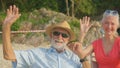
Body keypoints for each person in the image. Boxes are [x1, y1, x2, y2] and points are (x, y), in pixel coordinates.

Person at [2, 5, 91, 68]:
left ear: (68, 39)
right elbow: (9, 55)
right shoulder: (37, 54)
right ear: (51, 35)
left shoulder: (74, 58)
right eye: (56, 33)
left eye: (64, 35)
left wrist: (82, 55)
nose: (59, 37)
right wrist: (6, 26)